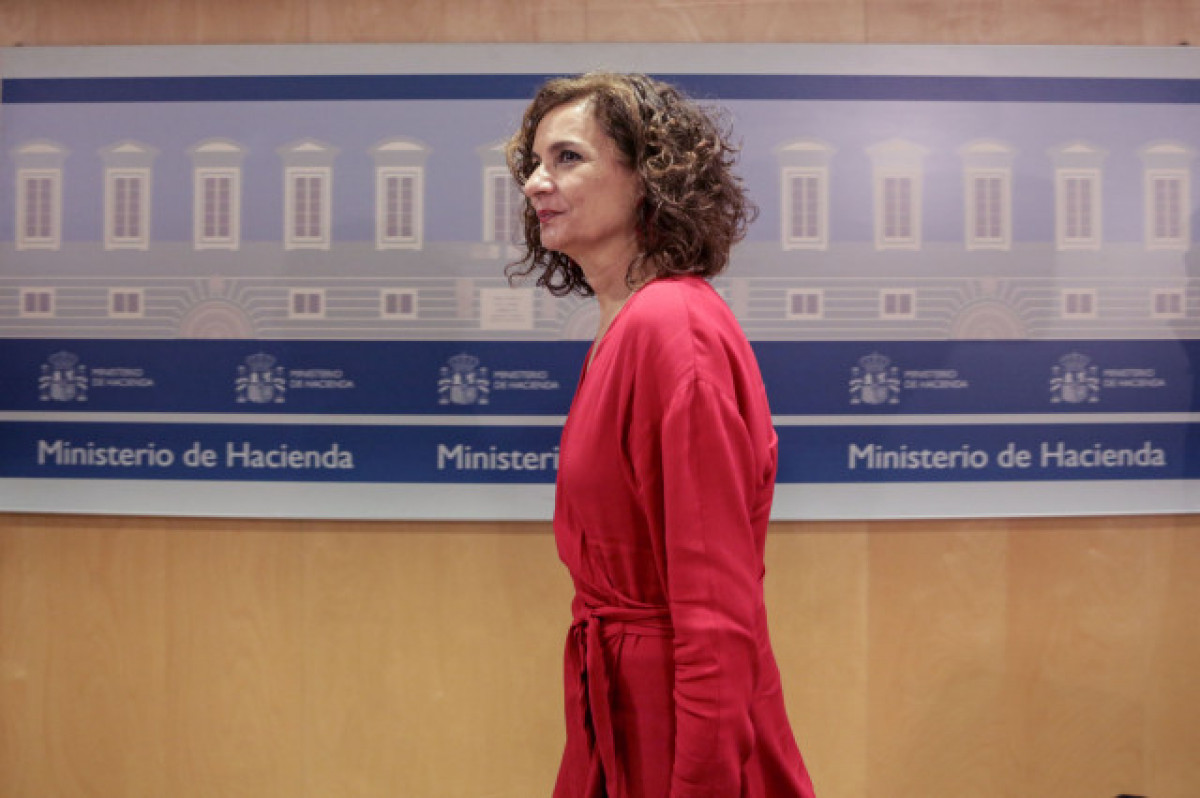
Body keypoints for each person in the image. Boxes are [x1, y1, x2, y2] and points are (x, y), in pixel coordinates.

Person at [506, 72, 816, 798]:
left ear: (649, 174)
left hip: (675, 727)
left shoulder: (672, 327)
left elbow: (715, 611)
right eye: (534, 162)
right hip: (620, 711)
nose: (534, 183)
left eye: (567, 158)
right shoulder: (628, 323)